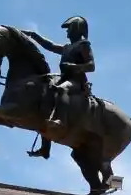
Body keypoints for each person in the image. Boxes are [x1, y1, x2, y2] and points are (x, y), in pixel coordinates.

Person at [23, 16, 96, 158]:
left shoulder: (83, 45)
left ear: (76, 29)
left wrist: (73, 67)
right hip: (64, 78)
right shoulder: (67, 47)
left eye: (69, 29)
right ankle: (45, 148)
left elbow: (91, 66)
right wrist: (34, 35)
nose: (67, 32)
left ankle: (60, 121)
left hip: (76, 81)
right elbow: (50, 46)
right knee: (45, 90)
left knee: (61, 89)